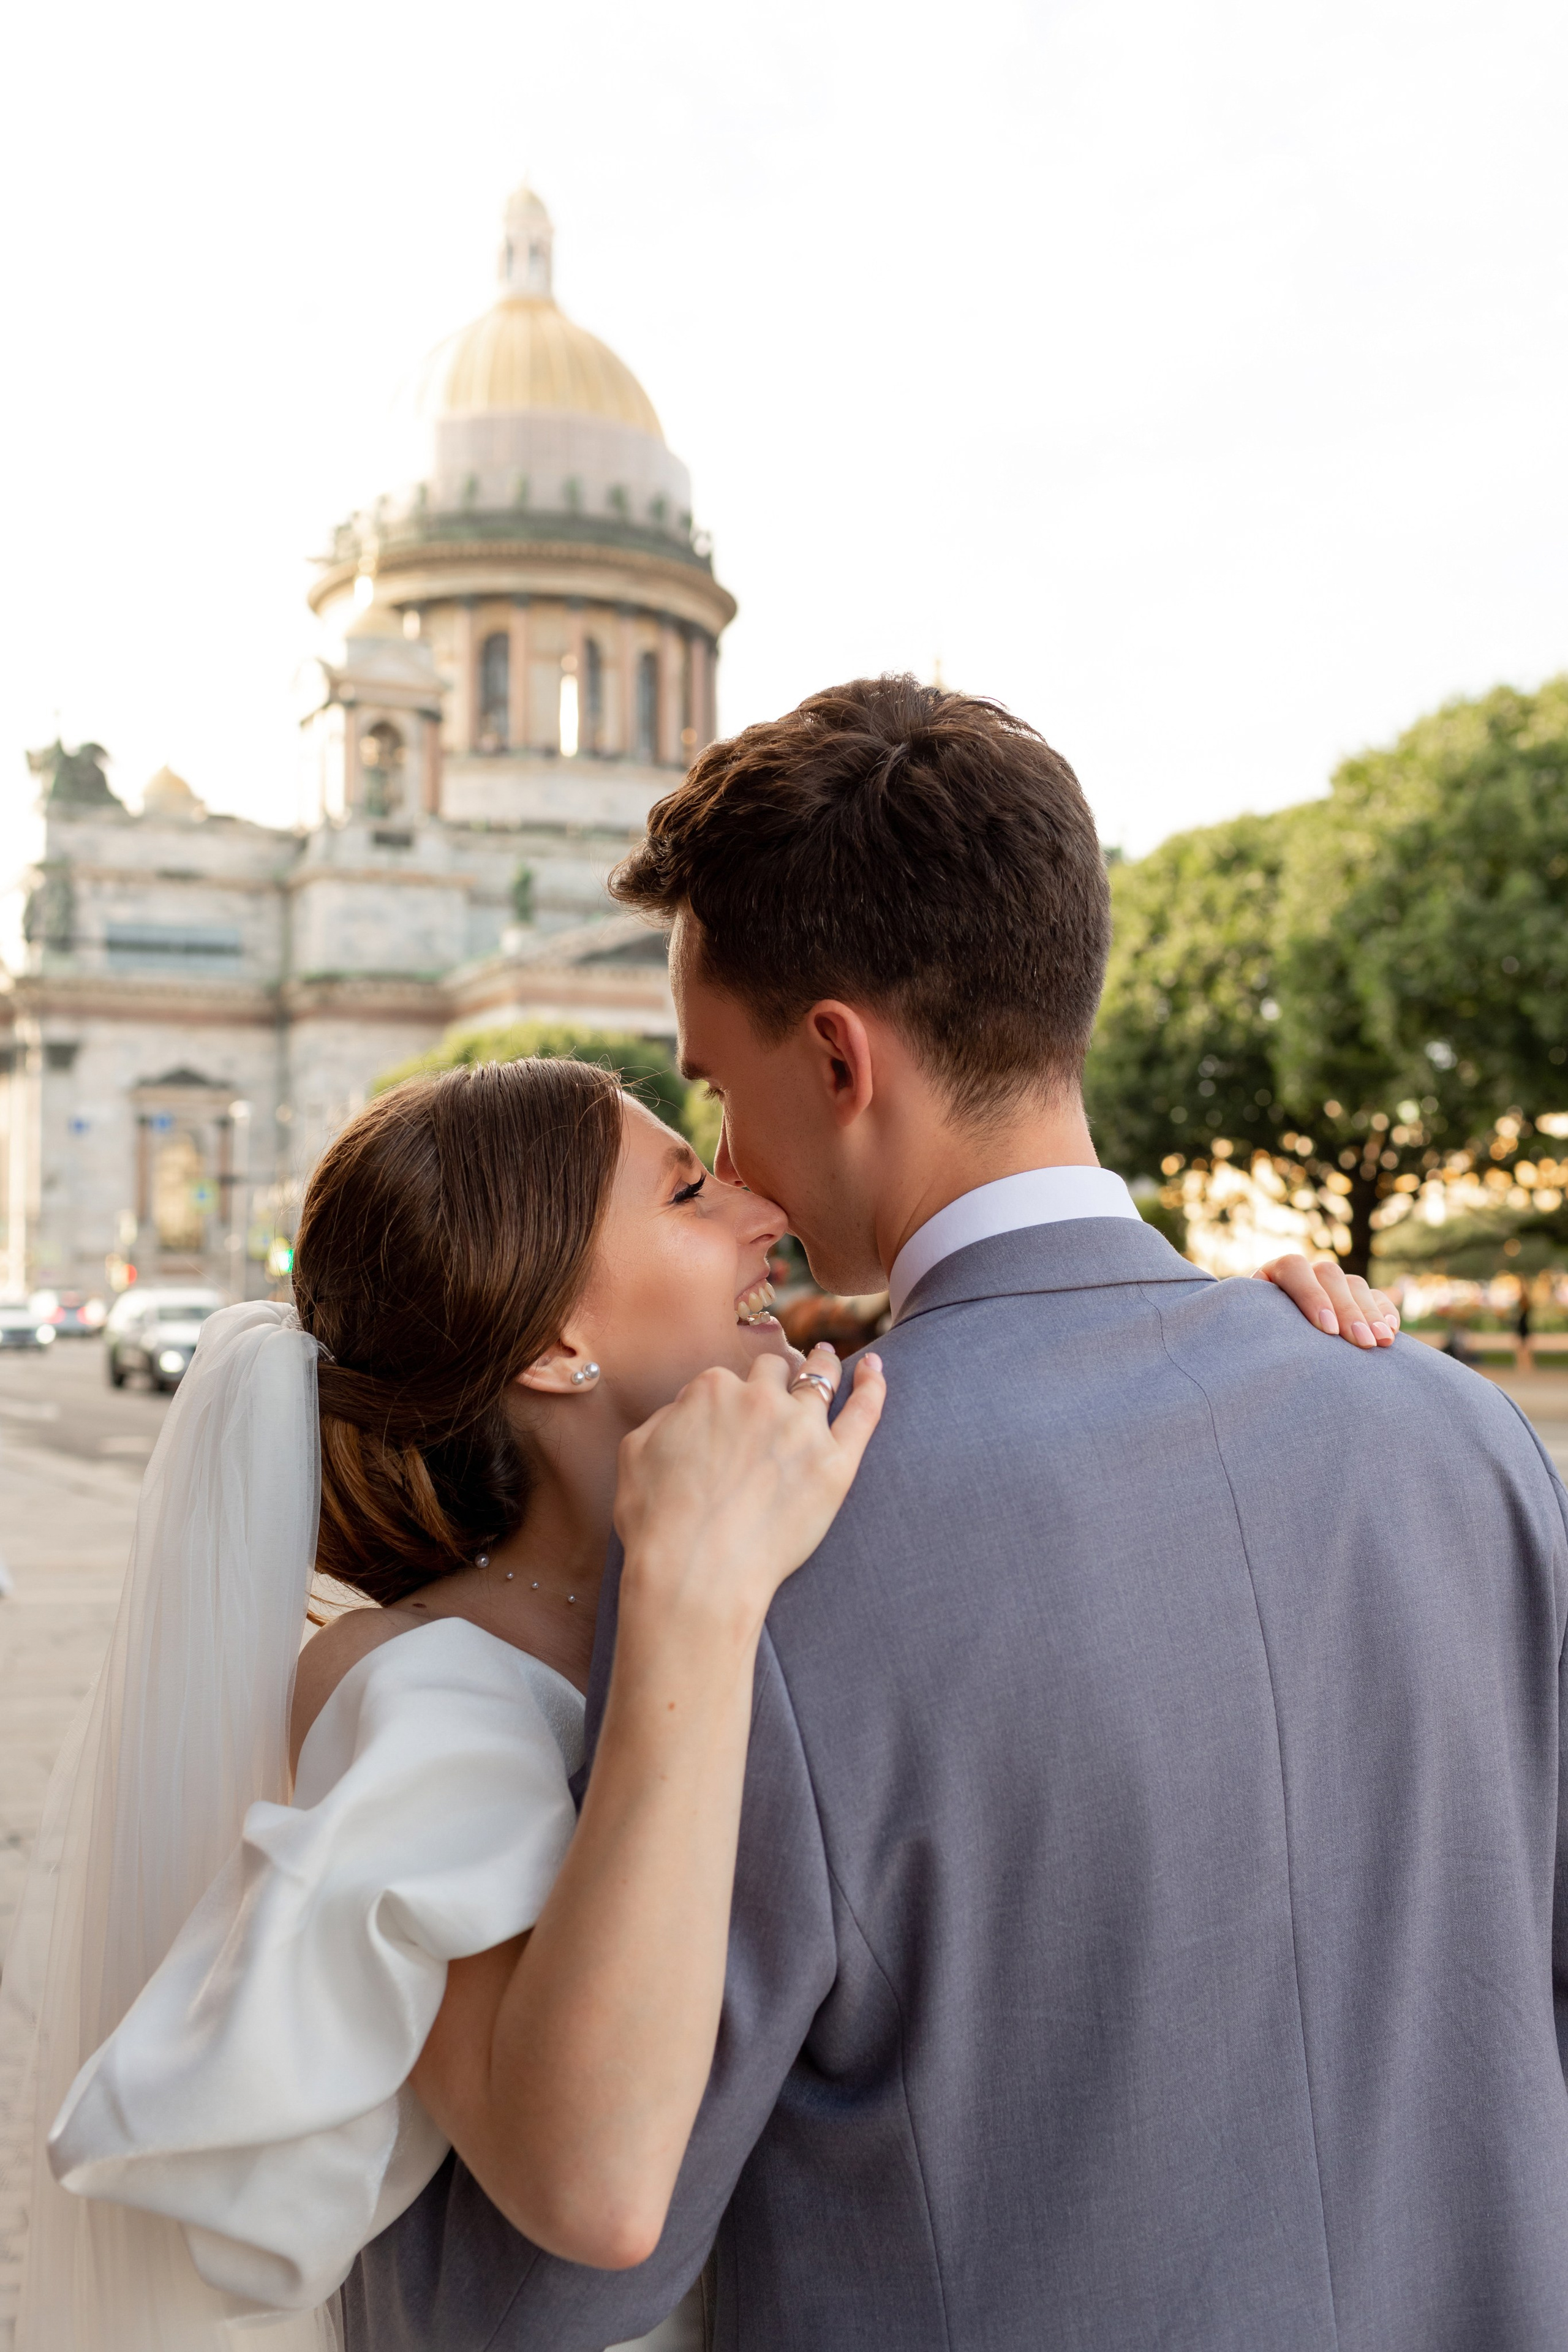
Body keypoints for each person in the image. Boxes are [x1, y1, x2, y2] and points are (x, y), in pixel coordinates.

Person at [353, 677, 1568, 2352]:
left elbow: (575, 2268)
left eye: (714, 1093)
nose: (737, 1172)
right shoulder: (1461, 1436)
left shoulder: (759, 1542)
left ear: (841, 1058)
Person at [2, 1020, 1385, 2346]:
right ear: (552, 1342)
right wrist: (689, 1601)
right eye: (686, 1188)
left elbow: (1064, 1421)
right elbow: (592, 2195)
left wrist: (1240, 1341)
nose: (758, 1209)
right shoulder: (416, 1684)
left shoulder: (811, 1495)